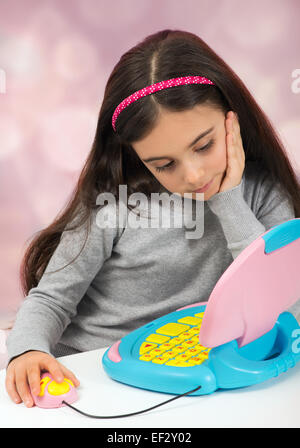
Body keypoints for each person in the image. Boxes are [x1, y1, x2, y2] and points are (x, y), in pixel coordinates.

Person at [5, 29, 300, 408]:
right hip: (93, 377)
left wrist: (230, 202)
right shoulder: (114, 204)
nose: (193, 175)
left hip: (190, 381)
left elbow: (284, 310)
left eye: (204, 145)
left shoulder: (262, 194)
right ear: (136, 156)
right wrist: (27, 351)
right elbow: (51, 300)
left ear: (234, 120)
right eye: (164, 164)